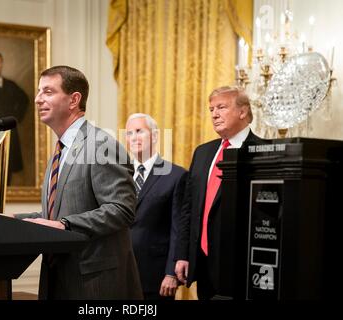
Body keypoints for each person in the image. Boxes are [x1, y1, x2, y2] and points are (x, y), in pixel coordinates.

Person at [13, 65, 143, 300]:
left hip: (94, 282)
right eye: (38, 91)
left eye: (48, 91)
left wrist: (65, 225)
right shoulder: (60, 151)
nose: (37, 99)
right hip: (58, 277)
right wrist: (13, 221)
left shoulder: (100, 144)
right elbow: (58, 213)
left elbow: (122, 209)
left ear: (74, 100)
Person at [174, 86, 262, 300]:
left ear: (243, 112)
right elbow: (188, 208)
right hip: (202, 260)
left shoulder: (261, 151)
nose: (214, 114)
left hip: (240, 265)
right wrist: (183, 255)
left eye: (221, 107)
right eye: (211, 109)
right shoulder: (203, 152)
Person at [125, 113, 187, 300]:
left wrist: (171, 273)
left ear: (154, 136)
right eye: (129, 133)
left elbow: (179, 228)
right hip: (119, 271)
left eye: (139, 131)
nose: (134, 137)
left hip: (156, 275)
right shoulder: (118, 174)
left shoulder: (176, 176)